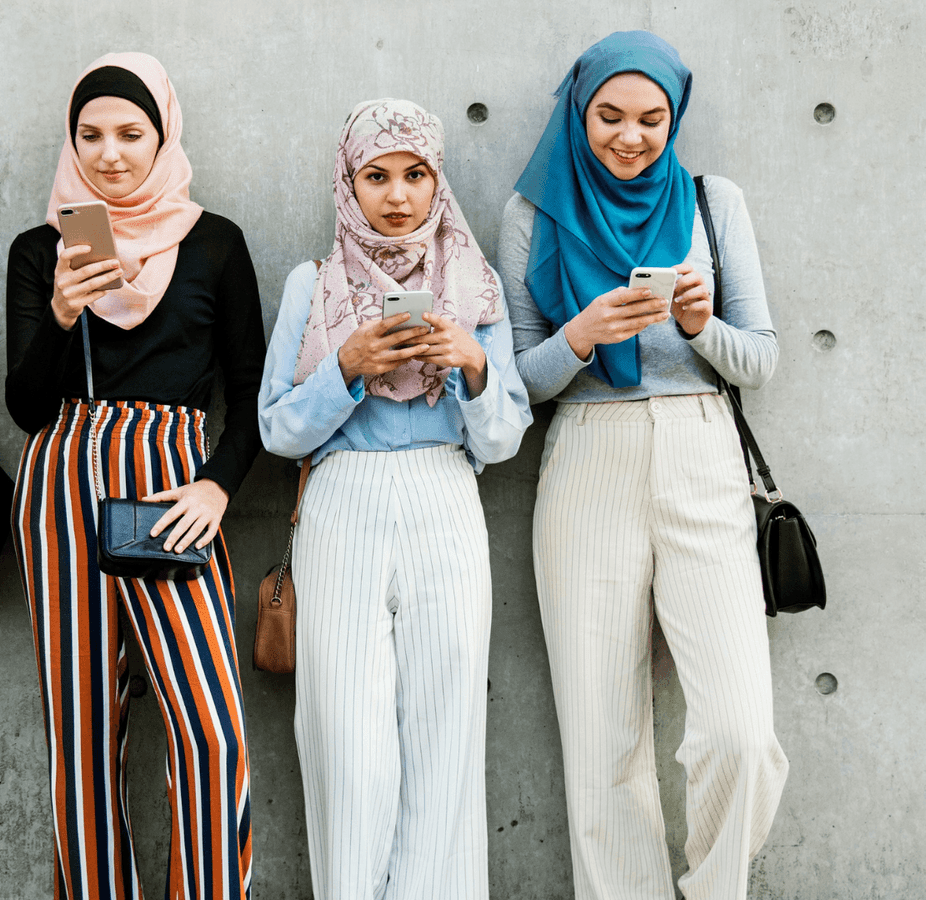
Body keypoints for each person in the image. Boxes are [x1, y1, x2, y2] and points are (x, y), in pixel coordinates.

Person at [498, 30, 787, 900]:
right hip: (587, 454)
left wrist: (701, 329)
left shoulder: (711, 200)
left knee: (740, 730)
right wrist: (582, 336)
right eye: (609, 116)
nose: (631, 136)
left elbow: (762, 359)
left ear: (675, 116)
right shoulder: (533, 212)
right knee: (602, 742)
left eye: (652, 118)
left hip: (703, 451)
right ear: (578, 112)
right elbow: (517, 385)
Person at [4, 52, 264, 900]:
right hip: (64, 486)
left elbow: (252, 392)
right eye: (90, 135)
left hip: (174, 491)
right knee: (83, 741)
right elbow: (25, 406)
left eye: (130, 133)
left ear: (163, 135)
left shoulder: (215, 242)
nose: (110, 154)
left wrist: (219, 485)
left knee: (211, 735)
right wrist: (62, 313)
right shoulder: (41, 248)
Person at [257, 99, 530, 899]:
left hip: (446, 497)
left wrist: (472, 364)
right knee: (345, 738)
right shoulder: (311, 284)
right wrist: (345, 367)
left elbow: (504, 438)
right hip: (342, 505)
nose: (398, 194)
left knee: (446, 734)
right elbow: (278, 429)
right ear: (348, 183)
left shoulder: (474, 286)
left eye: (416, 174)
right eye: (376, 175)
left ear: (438, 181)